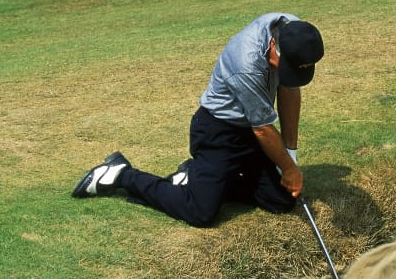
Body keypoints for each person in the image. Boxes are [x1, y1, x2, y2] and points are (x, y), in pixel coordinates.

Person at [72, 14, 324, 228]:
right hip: (218, 131)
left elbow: (289, 88)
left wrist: (290, 154)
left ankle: (196, 177)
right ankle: (122, 175)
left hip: (250, 130)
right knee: (200, 213)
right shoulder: (245, 64)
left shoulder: (294, 31)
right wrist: (289, 169)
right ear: (273, 45)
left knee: (280, 198)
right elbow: (262, 130)